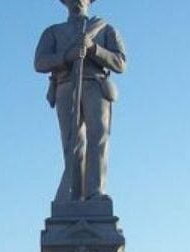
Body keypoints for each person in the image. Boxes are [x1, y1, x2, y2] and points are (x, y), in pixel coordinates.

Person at [35, 0, 126, 202]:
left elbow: (120, 63)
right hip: (66, 86)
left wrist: (94, 48)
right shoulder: (53, 32)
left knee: (99, 137)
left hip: (96, 84)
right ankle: (73, 194)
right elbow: (40, 62)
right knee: (72, 142)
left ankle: (95, 193)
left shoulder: (105, 28)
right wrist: (66, 56)